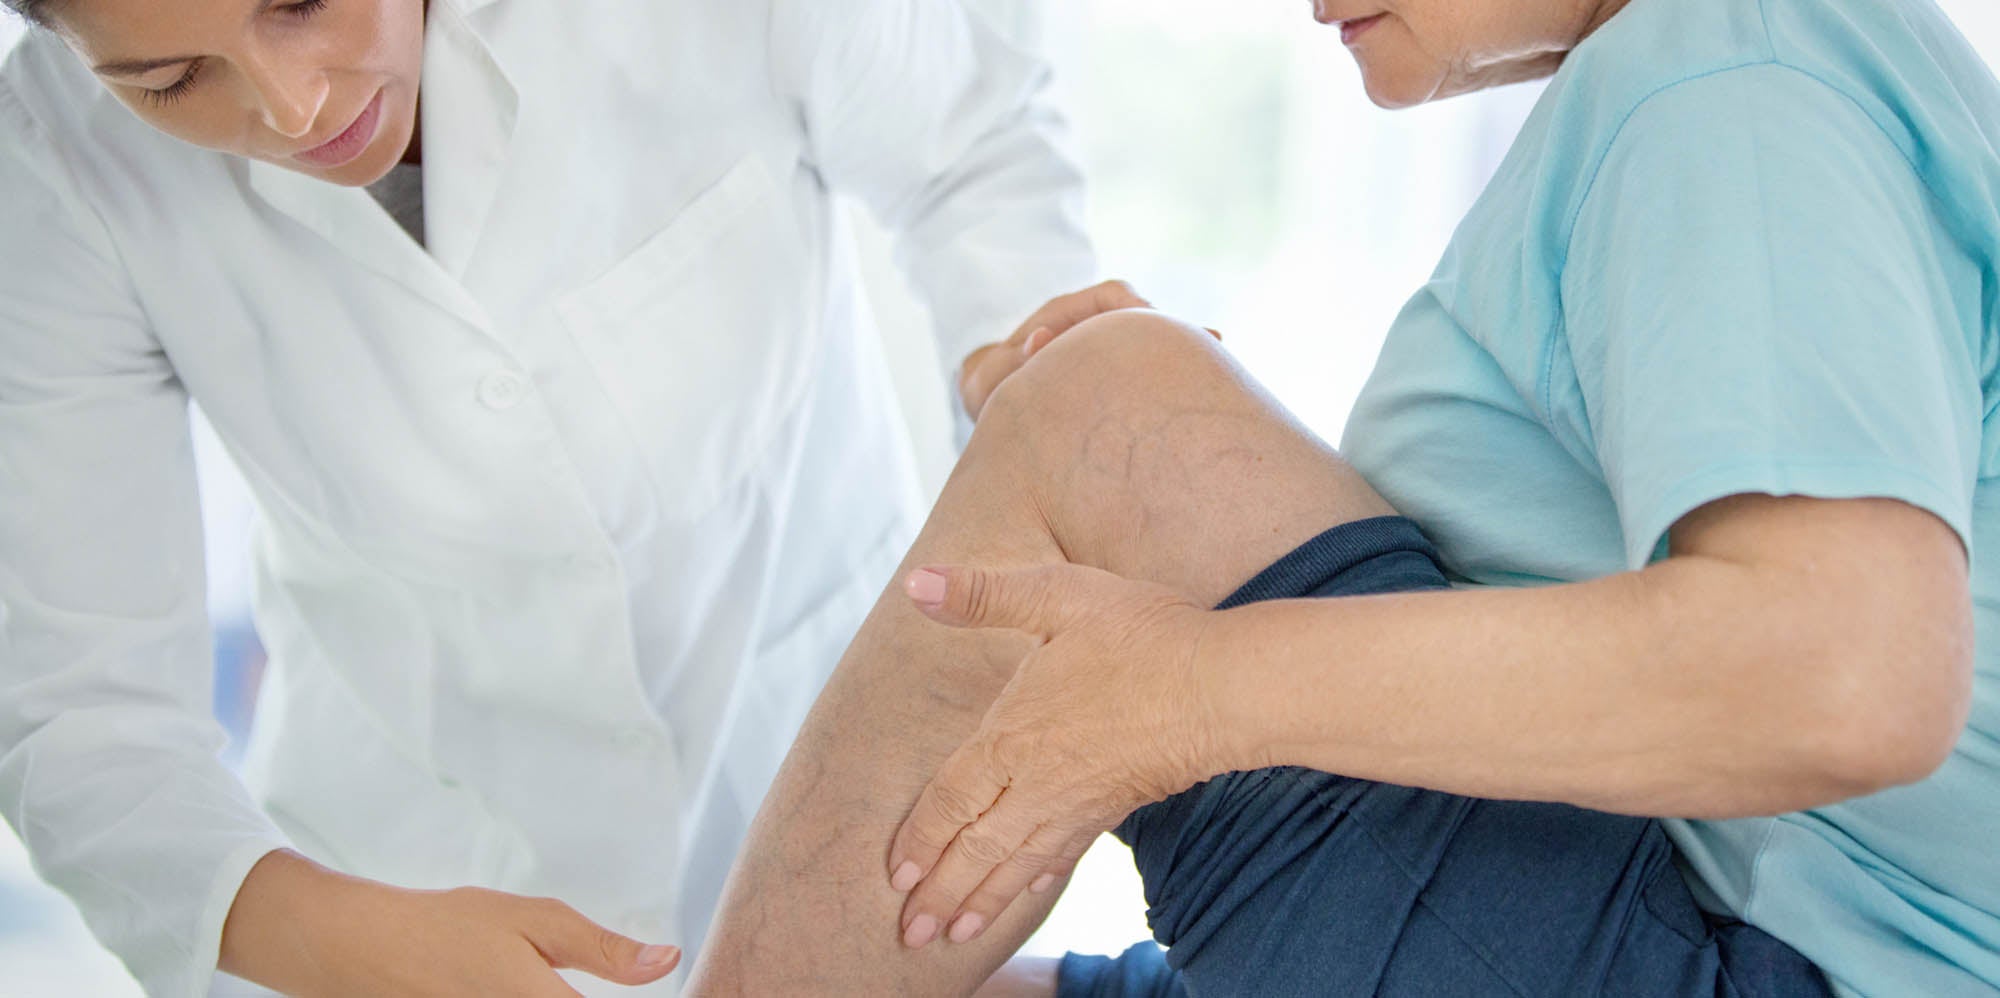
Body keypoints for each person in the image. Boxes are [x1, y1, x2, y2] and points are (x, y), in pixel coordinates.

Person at [679, 0, 2000, 994]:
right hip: (1684, 923)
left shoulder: (1724, 81)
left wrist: (1184, 687)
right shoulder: (1751, 72)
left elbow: (1846, 676)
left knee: (1108, 406)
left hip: (1759, 961)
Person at [0, 0, 1117, 994]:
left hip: (820, 775)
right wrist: (326, 936)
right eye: (170, 81)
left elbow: (972, 153)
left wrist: (1026, 369)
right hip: (396, 862)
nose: (293, 108)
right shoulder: (56, 160)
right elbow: (81, 713)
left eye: (301, 3)